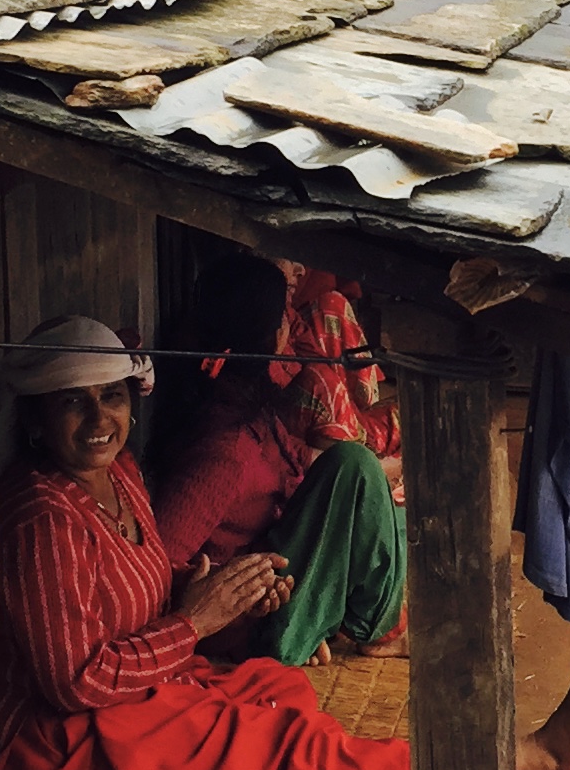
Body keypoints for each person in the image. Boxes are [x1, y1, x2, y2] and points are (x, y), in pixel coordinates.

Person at [0, 315, 570, 770]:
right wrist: (196, 623)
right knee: (293, 753)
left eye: (112, 397)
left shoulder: (119, 473)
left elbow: (139, 589)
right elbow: (75, 684)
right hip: (60, 750)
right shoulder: (41, 520)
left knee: (279, 689)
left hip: (137, 699)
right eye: (74, 403)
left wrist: (217, 593)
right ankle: (528, 761)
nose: (100, 418)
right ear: (36, 420)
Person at [150, 257, 405, 666]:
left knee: (383, 500)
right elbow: (156, 566)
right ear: (275, 336)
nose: (292, 321)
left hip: (274, 576)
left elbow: (293, 459)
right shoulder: (225, 452)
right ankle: (380, 631)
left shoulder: (249, 403)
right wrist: (234, 607)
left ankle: (326, 620)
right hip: (254, 618)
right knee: (355, 466)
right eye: (285, 314)